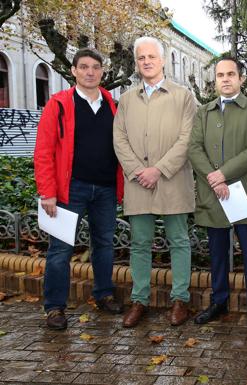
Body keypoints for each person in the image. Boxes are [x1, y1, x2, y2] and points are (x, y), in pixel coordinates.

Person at [34, 48, 124, 330]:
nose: (89, 72)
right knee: (60, 249)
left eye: (95, 67)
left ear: (101, 72)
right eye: (83, 67)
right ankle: (55, 307)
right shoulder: (59, 104)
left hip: (106, 189)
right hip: (69, 189)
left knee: (104, 245)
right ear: (73, 71)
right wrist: (47, 191)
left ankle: (104, 294)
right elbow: (44, 151)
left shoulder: (112, 105)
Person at [113, 36, 197, 328]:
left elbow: (188, 139)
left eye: (152, 56)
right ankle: (139, 300)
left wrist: (158, 169)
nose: (146, 61)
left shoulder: (183, 96)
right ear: (136, 63)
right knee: (139, 243)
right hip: (138, 182)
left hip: (172, 179)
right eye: (141, 58)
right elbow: (119, 139)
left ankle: (180, 300)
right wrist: (139, 171)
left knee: (179, 240)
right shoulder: (126, 99)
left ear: (163, 60)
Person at [189, 57, 247, 329]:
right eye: (220, 75)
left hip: (245, 194)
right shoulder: (204, 112)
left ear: (241, 79)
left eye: (231, 74)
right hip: (214, 194)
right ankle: (219, 301)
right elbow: (194, 148)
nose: (225, 79)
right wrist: (215, 180)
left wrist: (223, 174)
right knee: (217, 254)